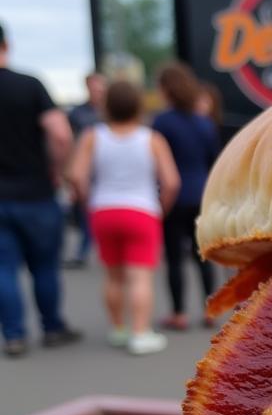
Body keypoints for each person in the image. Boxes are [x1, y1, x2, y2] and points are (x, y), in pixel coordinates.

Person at [68, 80, 180, 355]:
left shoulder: (93, 136)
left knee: (113, 276)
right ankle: (140, 333)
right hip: (141, 210)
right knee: (139, 277)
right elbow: (171, 182)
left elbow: (76, 175)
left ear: (106, 106)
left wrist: (87, 202)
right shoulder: (152, 139)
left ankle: (118, 328)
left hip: (104, 209)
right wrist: (161, 208)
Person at [0, 21, 80, 358]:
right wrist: (56, 170)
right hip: (36, 193)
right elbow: (60, 134)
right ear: (7, 44)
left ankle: (15, 335)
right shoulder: (29, 85)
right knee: (44, 266)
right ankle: (52, 327)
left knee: (3, 269)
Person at [153, 62, 219, 330]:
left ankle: (179, 312)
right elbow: (214, 160)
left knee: (174, 258)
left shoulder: (161, 122)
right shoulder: (204, 123)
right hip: (201, 194)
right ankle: (210, 309)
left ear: (167, 89)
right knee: (202, 255)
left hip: (173, 195)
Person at [65, 71, 107, 267]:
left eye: (100, 87)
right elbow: (69, 143)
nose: (97, 91)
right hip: (86, 168)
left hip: (107, 168)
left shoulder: (111, 111)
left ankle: (109, 249)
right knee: (85, 211)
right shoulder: (77, 113)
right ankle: (83, 250)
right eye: (93, 87)